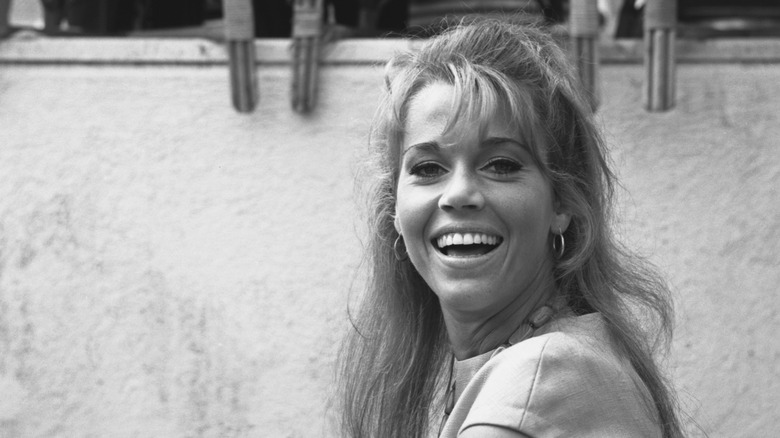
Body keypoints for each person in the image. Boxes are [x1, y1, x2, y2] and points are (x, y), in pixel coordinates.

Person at [337, 18, 684, 438]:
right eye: (428, 168)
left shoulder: (543, 376)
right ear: (394, 207)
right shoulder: (552, 356)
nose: (458, 194)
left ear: (562, 201)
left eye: (501, 164)